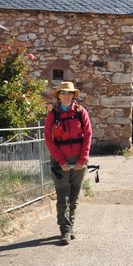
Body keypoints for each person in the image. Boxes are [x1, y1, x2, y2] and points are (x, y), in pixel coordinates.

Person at [43, 81, 92, 245]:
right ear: (58, 96)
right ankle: (64, 230)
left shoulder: (80, 112)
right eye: (63, 93)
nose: (66, 96)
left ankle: (70, 227)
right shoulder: (52, 114)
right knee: (62, 197)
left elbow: (88, 136)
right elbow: (49, 140)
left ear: (73, 96)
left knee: (73, 197)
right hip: (59, 163)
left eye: (69, 93)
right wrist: (61, 161)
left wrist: (82, 160)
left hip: (78, 162)